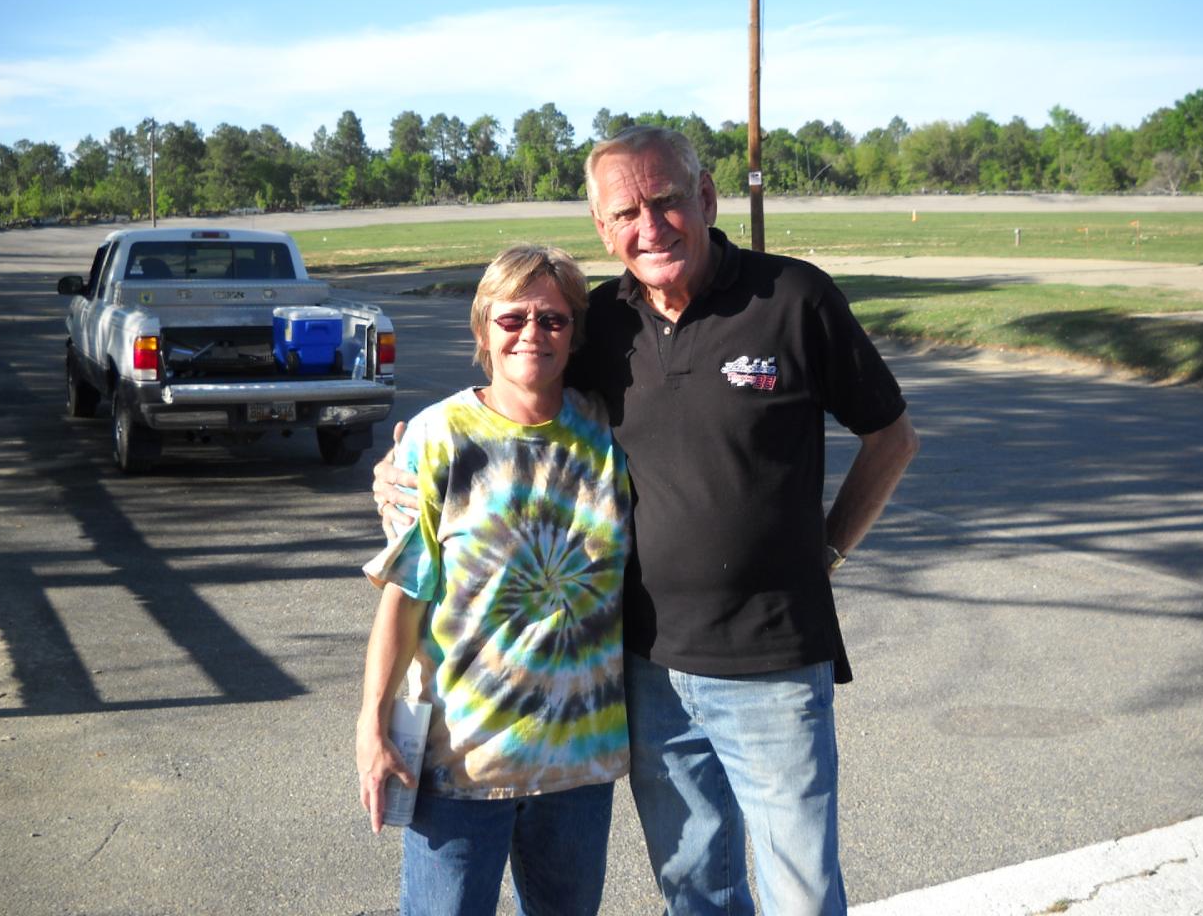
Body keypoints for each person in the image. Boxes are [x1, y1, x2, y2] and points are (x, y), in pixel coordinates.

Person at [375, 126, 919, 916]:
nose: (650, 227)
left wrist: (828, 549)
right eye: (626, 213)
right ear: (603, 228)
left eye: (666, 202)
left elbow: (892, 437)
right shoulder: (602, 324)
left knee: (801, 894)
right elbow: (515, 400)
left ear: (707, 198)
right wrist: (403, 467)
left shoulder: (795, 299)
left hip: (773, 663)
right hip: (648, 672)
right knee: (696, 888)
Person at [355, 245, 633, 916]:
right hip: (461, 766)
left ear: (574, 333)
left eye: (553, 319)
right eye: (512, 318)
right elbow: (405, 598)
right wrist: (372, 724)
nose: (532, 333)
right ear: (484, 328)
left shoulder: (610, 432)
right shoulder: (439, 437)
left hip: (578, 766)